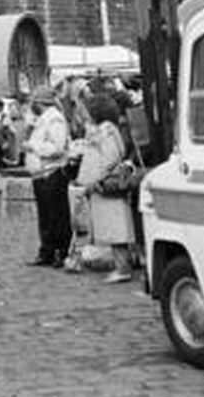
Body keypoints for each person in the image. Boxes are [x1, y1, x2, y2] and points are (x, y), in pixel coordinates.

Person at [72, 93, 139, 283]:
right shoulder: (104, 131)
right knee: (113, 228)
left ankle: (123, 268)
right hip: (101, 187)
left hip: (106, 187)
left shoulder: (106, 132)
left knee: (116, 229)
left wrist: (95, 180)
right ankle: (122, 266)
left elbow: (109, 159)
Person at [24, 88, 74, 268]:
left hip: (52, 172)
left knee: (57, 215)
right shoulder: (43, 119)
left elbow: (57, 147)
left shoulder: (55, 119)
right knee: (45, 216)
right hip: (41, 174)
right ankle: (47, 250)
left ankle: (61, 251)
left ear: (39, 103)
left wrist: (33, 146)